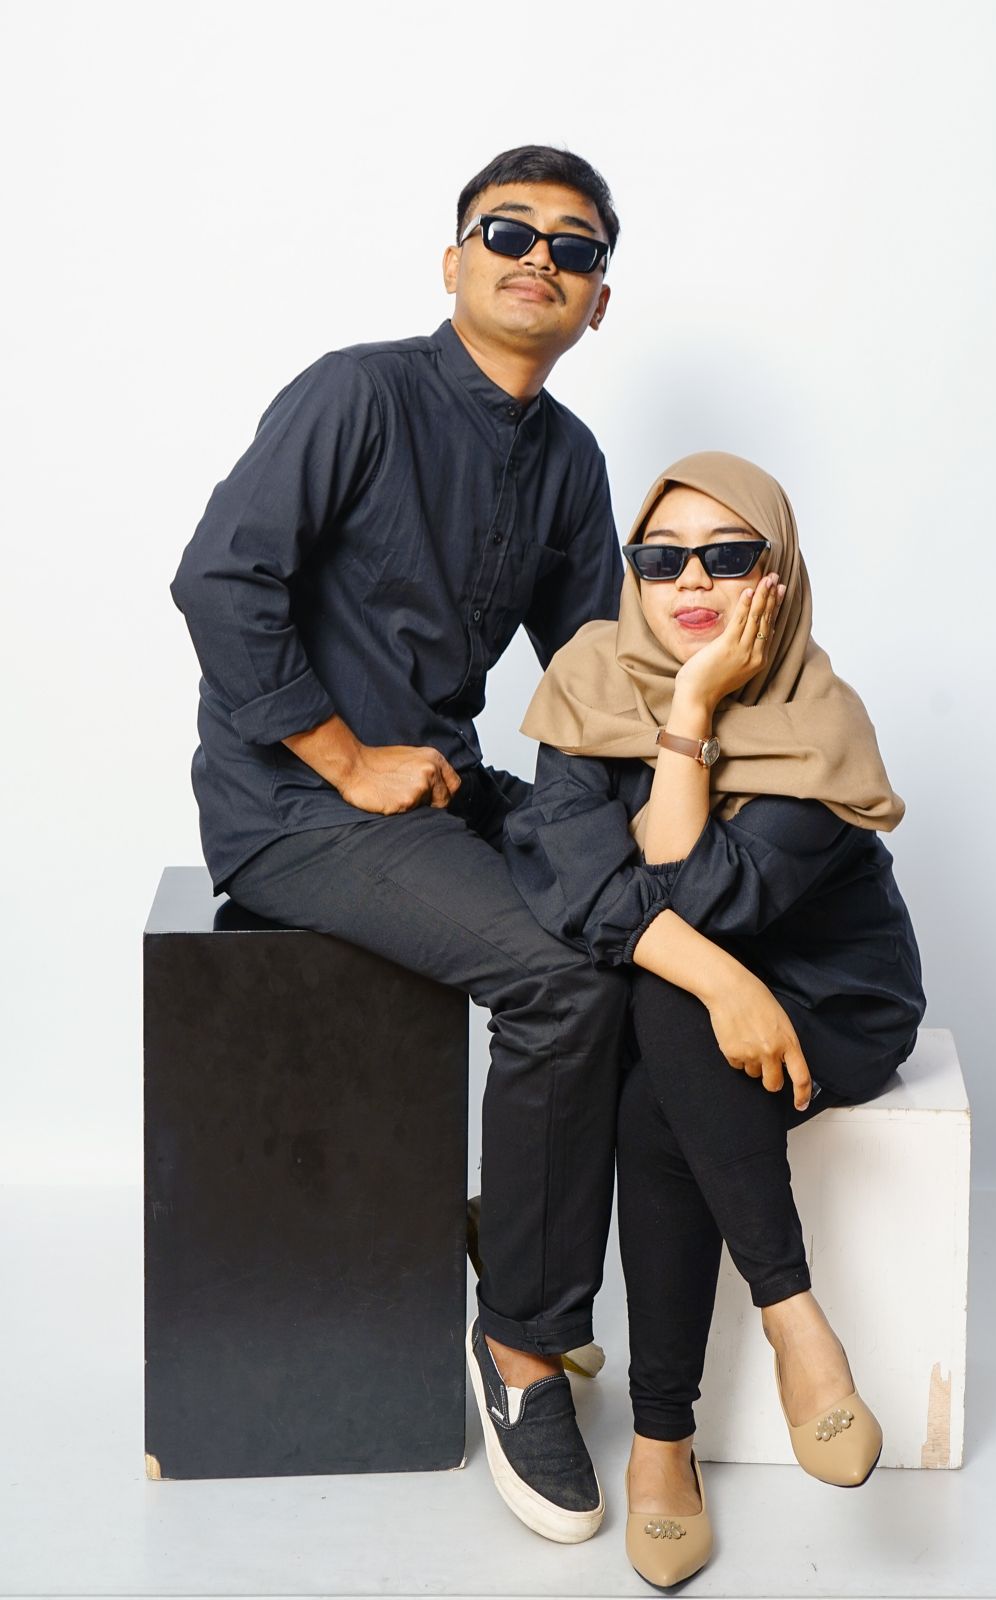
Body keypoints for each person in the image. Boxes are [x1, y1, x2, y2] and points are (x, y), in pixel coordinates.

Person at [169, 145, 631, 1545]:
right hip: (293, 808)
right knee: (561, 980)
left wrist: (668, 796)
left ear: (597, 300)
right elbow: (219, 579)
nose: (538, 258)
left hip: (439, 787)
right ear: (453, 259)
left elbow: (593, 670)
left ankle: (515, 1221)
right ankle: (522, 1348)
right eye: (508, 231)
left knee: (650, 915)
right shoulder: (356, 393)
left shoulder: (568, 459)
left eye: (573, 247)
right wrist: (344, 756)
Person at [500, 450, 927, 1587]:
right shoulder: (591, 681)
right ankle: (794, 1326)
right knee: (668, 1023)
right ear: (632, 576)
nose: (691, 581)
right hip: (703, 1007)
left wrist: (689, 713)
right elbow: (576, 884)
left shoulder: (815, 715)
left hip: (831, 999)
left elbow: (694, 900)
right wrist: (725, 982)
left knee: (661, 1003)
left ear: (777, 576)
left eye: (728, 556)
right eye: (661, 559)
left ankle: (665, 1436)